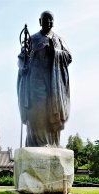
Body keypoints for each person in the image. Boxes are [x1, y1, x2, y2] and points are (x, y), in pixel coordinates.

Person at [17, 11, 72, 147]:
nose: (47, 22)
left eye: (50, 20)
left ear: (53, 22)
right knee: (38, 111)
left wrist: (55, 52)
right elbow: (21, 57)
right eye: (45, 20)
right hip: (35, 80)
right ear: (40, 22)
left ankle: (53, 143)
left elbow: (68, 57)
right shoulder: (33, 39)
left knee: (53, 111)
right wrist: (23, 62)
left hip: (54, 82)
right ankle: (38, 143)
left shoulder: (59, 40)